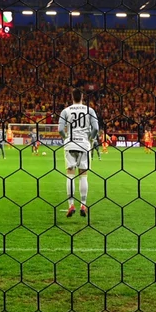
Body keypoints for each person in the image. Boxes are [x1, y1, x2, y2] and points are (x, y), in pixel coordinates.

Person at [59, 88, 99, 218]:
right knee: (83, 175)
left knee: (70, 174)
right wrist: (90, 138)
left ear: (72, 97)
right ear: (82, 97)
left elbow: (60, 129)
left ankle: (71, 205)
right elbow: (96, 128)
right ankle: (83, 204)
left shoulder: (66, 111)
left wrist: (66, 138)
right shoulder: (90, 110)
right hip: (84, 144)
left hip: (70, 144)